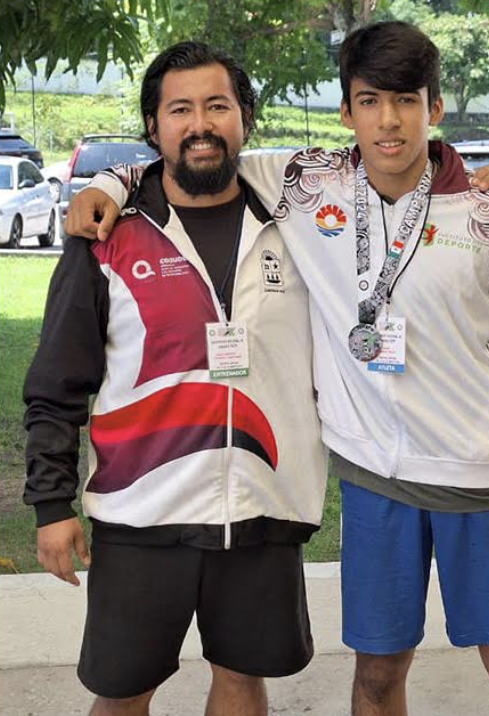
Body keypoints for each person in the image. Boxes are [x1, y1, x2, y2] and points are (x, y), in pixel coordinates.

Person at [64, 23, 489, 716]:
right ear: (347, 111)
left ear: (433, 108)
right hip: (374, 479)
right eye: (369, 101)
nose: (388, 120)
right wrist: (105, 179)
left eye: (406, 100)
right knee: (375, 678)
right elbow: (196, 154)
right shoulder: (308, 184)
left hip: (476, 472)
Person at [23, 42, 329, 716]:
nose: (200, 124)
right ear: (154, 127)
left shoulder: (300, 221)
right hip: (141, 512)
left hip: (263, 504)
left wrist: (464, 178)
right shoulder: (106, 235)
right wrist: (51, 505)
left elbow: (392, 167)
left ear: (245, 118)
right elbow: (57, 382)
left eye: (217, 106)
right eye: (180, 109)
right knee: (123, 692)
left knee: (244, 680)